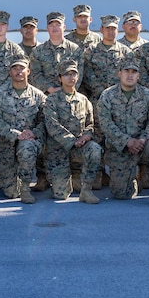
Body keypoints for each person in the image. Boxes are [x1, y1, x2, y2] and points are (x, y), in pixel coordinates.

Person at [97, 60, 149, 206]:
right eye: (126, 71)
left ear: (138, 76)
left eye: (133, 72)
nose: (130, 75)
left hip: (144, 145)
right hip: (120, 147)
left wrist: (142, 140)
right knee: (121, 194)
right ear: (119, 74)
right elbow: (106, 124)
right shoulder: (107, 96)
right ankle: (135, 183)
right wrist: (127, 141)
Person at [43, 60, 102, 203]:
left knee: (95, 149)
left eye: (73, 74)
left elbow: (90, 124)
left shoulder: (84, 100)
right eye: (66, 74)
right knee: (60, 194)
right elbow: (52, 125)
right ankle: (67, 180)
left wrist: (87, 136)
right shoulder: (52, 100)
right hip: (59, 150)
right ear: (59, 78)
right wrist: (72, 140)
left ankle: (86, 190)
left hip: (80, 147)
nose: (70, 78)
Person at [0, 56, 46, 204]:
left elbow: (45, 120)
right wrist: (16, 134)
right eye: (15, 68)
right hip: (7, 146)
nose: (18, 71)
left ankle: (26, 188)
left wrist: (33, 133)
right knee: (11, 192)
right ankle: (10, 179)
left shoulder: (39, 96)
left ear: (28, 71)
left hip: (29, 142)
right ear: (10, 72)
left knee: (27, 147)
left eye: (22, 68)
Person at [29, 11, 84, 94]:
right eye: (51, 25)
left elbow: (78, 74)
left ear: (64, 27)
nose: (54, 28)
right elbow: (35, 74)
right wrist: (50, 89)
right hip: (46, 97)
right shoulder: (37, 51)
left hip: (69, 96)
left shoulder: (75, 50)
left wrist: (67, 90)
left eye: (58, 24)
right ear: (47, 28)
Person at [81, 15, 131, 103]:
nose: (110, 31)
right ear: (101, 29)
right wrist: (100, 91)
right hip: (97, 98)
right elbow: (87, 73)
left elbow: (129, 74)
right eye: (108, 28)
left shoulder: (126, 52)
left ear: (118, 31)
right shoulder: (91, 50)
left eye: (113, 29)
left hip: (120, 99)